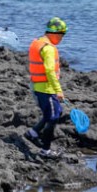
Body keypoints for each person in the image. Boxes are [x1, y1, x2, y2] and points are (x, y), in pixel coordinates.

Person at [24, 17, 69, 159]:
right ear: (55, 34)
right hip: (46, 89)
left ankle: (33, 133)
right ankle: (45, 150)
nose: (61, 39)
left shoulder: (38, 42)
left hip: (38, 86)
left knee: (56, 112)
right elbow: (50, 71)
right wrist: (58, 90)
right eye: (61, 36)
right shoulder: (48, 48)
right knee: (53, 117)